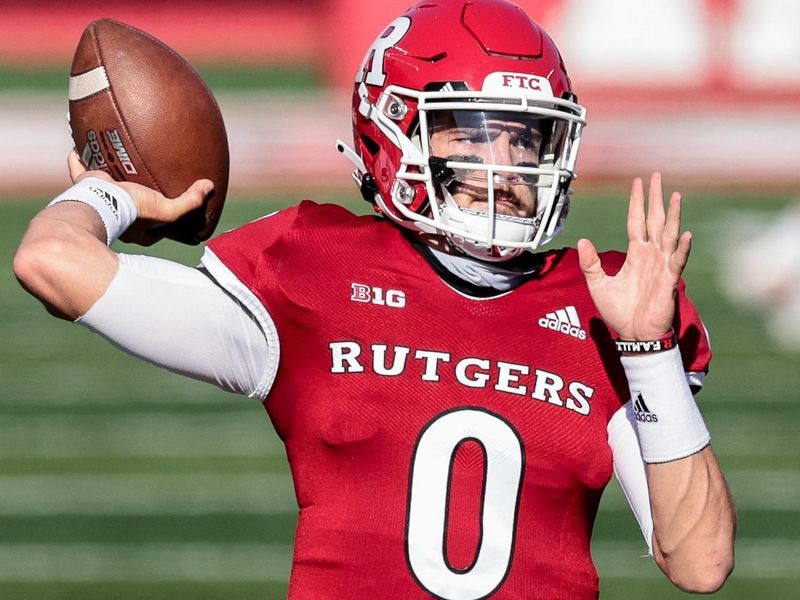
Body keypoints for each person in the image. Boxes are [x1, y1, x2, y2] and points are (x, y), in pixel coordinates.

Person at [13, 0, 735, 598]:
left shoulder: (602, 306)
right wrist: (110, 191)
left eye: (528, 141)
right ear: (391, 133)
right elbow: (52, 261)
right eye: (474, 136)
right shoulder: (313, 269)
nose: (508, 166)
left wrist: (648, 350)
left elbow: (699, 562)